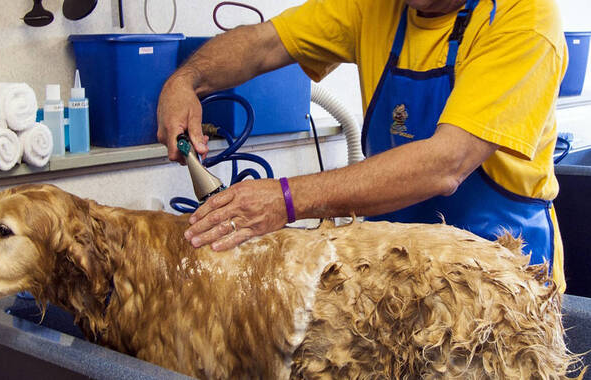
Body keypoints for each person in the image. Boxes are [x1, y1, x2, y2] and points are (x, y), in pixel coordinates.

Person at [157, 0, 568, 290]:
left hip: (500, 278)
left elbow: (447, 163)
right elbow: (265, 43)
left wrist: (284, 198)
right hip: (396, 269)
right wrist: (185, 80)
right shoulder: (375, 5)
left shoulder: (524, 16)